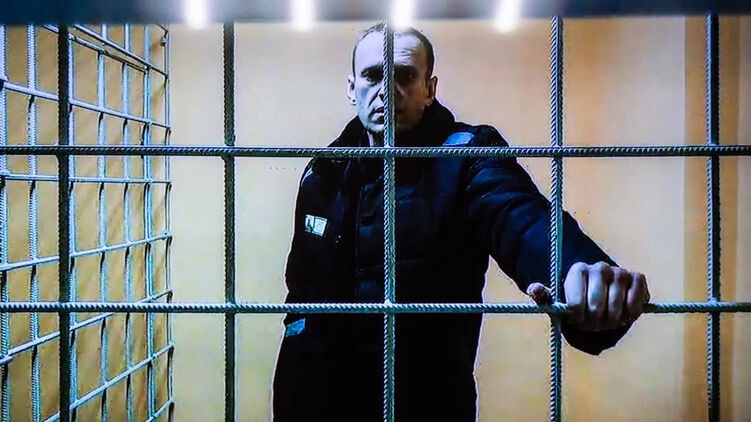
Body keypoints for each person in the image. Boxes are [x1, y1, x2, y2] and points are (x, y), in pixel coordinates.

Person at [272, 23, 650, 422]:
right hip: (318, 405)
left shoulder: (467, 158)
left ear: (429, 89)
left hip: (425, 409)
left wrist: (577, 274)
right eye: (372, 75)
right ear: (352, 89)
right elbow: (300, 302)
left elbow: (522, 220)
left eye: (404, 76)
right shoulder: (323, 172)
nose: (387, 89)